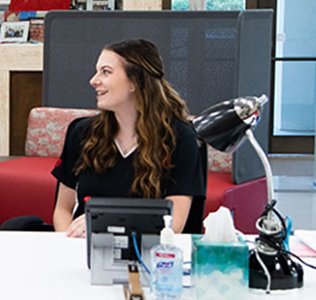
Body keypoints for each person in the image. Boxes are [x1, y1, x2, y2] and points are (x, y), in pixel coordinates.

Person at [51, 38, 207, 237]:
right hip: (84, 247)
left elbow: (174, 223)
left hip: (149, 254)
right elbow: (63, 209)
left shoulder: (180, 137)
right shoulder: (81, 132)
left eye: (105, 72)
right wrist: (67, 241)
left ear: (135, 82)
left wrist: (105, 222)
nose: (93, 80)